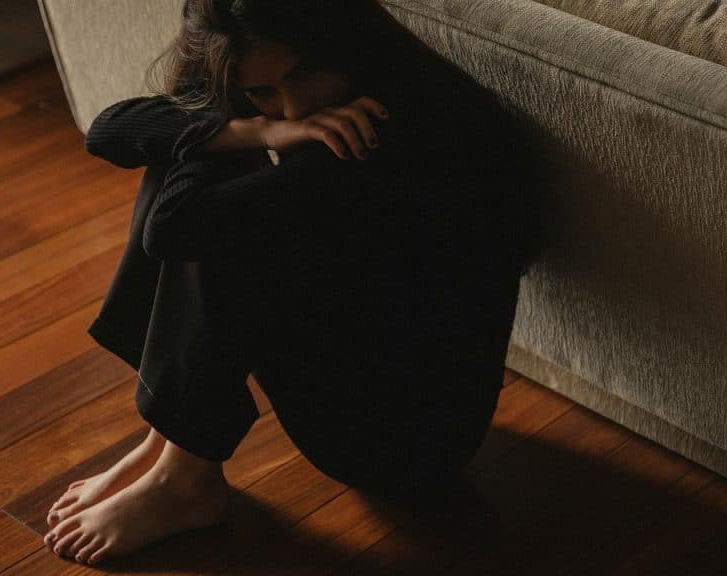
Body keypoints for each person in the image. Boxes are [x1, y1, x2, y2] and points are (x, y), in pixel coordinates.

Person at [41, 0, 540, 566]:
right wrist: (254, 128)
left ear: (342, 37)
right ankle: (163, 447)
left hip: (403, 442)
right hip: (371, 370)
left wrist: (251, 131)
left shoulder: (375, 132)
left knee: (212, 201)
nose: (297, 105)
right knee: (199, 148)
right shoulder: (336, 104)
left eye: (304, 73)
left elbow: (173, 227)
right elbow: (108, 130)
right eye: (263, 92)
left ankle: (185, 479)